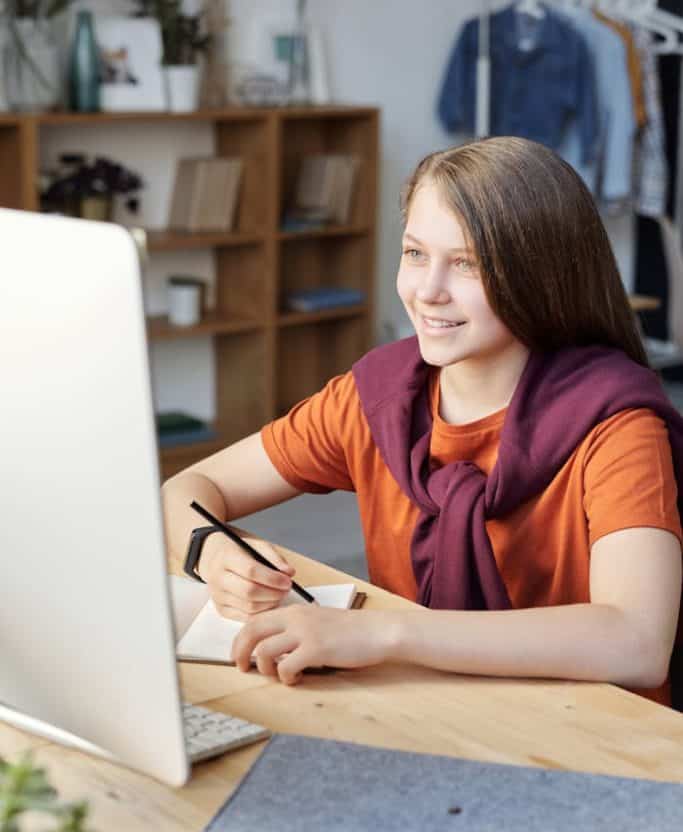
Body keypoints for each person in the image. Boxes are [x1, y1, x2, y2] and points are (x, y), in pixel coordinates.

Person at [162, 136, 683, 706]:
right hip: (427, 708)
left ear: (540, 274)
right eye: (415, 254)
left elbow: (636, 640)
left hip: (593, 737)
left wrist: (384, 633)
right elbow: (187, 489)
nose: (428, 292)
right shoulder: (377, 398)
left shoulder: (617, 426)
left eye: (467, 263)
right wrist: (211, 550)